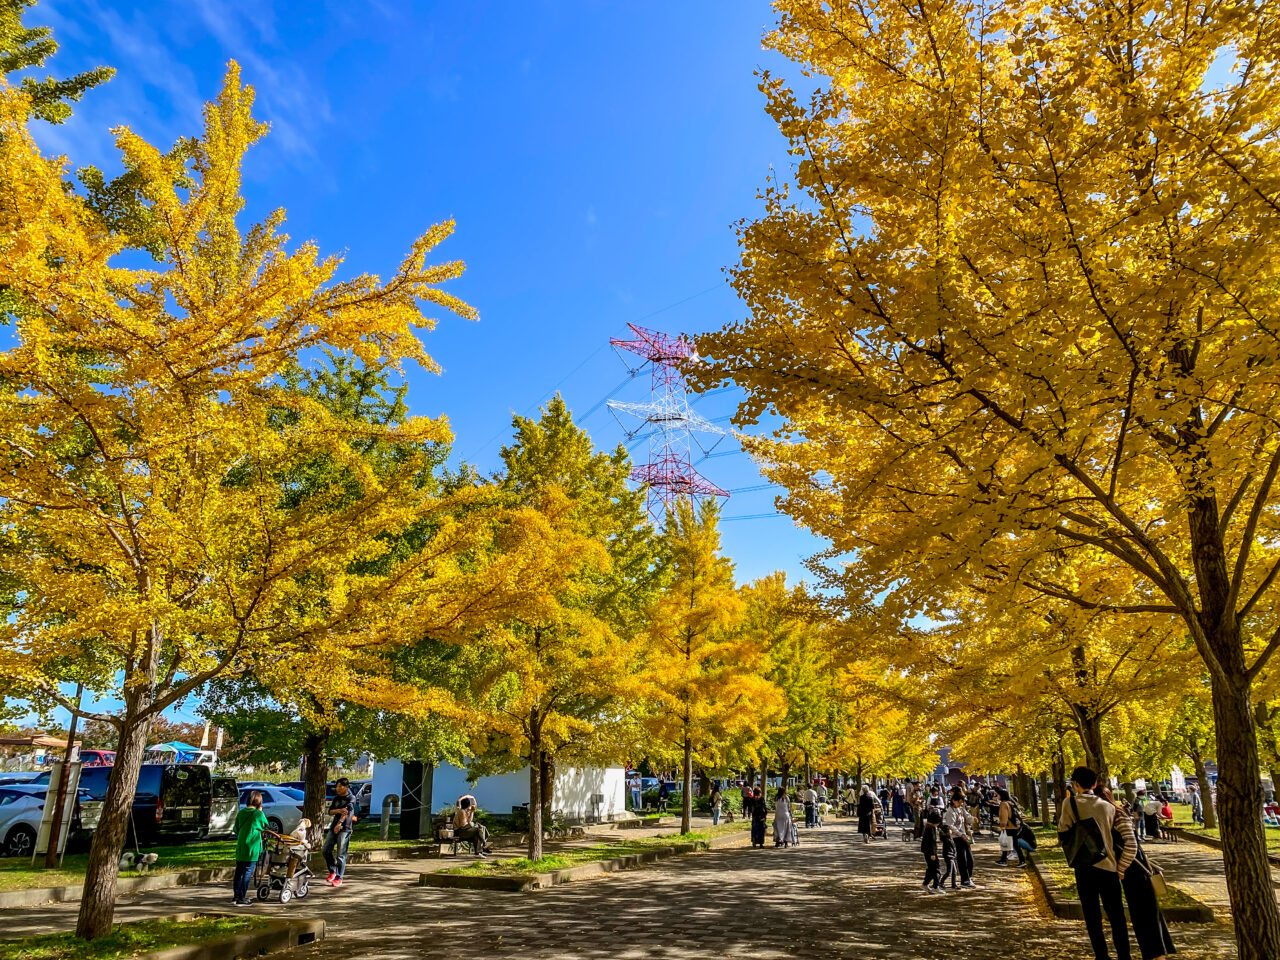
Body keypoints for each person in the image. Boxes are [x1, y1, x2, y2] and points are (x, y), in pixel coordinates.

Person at [1058, 766, 1131, 960]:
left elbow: (1063, 829)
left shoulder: (1070, 803)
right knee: (1116, 916)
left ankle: (1102, 955)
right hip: (1108, 865)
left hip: (1084, 866)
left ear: (1075, 784)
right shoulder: (1108, 806)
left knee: (1092, 916)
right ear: (1095, 784)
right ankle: (1124, 955)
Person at [1102, 787, 1174, 960]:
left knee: (1146, 912)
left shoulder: (1117, 814)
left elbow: (1132, 845)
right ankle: (1154, 953)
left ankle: (1157, 954)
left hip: (1135, 868)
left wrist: (1121, 868)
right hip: (1131, 868)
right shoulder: (1110, 815)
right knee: (1142, 913)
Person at [232, 790, 269, 906]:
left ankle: (236, 895)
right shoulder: (258, 814)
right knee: (247, 872)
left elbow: (236, 829)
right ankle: (242, 897)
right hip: (252, 848)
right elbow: (265, 825)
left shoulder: (241, 813)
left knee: (238, 872)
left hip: (241, 846)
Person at [323, 777, 358, 887]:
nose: (338, 788)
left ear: (346, 787)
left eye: (340, 786)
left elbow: (346, 812)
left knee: (340, 854)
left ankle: (339, 877)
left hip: (345, 828)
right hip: (334, 827)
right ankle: (332, 870)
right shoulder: (336, 798)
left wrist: (339, 824)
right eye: (337, 786)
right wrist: (338, 810)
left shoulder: (351, 798)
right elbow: (330, 811)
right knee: (325, 850)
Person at [944, 789, 978, 888]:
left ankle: (969, 876)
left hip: (964, 835)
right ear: (954, 800)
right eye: (959, 801)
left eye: (962, 801)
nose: (961, 803)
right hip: (956, 837)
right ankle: (965, 879)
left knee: (970, 859)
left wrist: (973, 819)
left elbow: (967, 817)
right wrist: (960, 834)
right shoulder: (950, 812)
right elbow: (950, 825)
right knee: (962, 859)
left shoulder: (960, 809)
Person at [921, 808, 943, 893]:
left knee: (931, 869)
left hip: (928, 851)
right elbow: (931, 842)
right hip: (930, 852)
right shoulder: (930, 829)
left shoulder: (929, 827)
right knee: (936, 869)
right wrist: (933, 853)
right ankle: (935, 886)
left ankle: (925, 884)